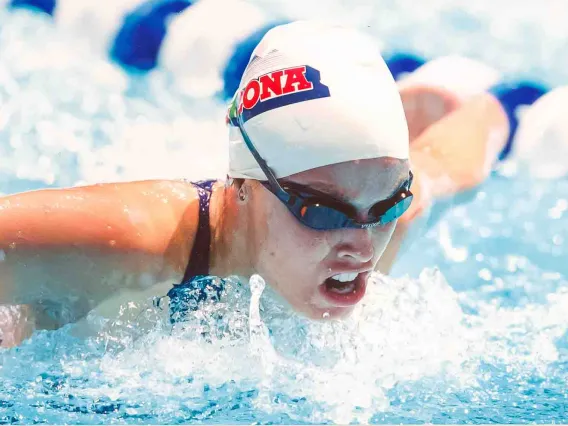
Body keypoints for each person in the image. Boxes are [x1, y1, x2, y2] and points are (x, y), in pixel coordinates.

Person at [0, 21, 513, 347]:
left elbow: (466, 142)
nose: (362, 245)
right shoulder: (125, 242)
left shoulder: (382, 215)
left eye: (388, 204)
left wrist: (497, 105)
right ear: (243, 186)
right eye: (324, 213)